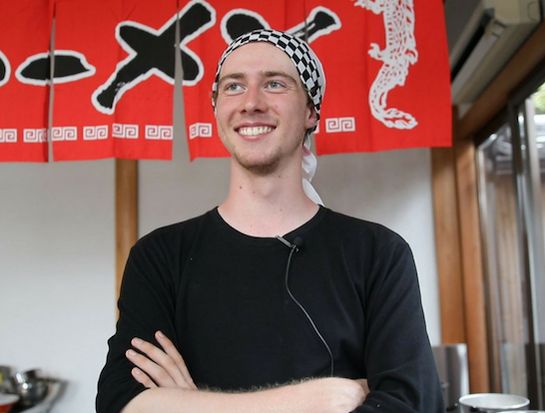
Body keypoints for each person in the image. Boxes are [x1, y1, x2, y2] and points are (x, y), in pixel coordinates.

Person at [96, 29, 444, 413]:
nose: (251, 103)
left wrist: (188, 405)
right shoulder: (159, 258)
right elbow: (119, 402)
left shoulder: (378, 254)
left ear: (311, 111)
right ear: (216, 109)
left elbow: (414, 403)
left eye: (275, 83)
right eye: (233, 86)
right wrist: (314, 400)